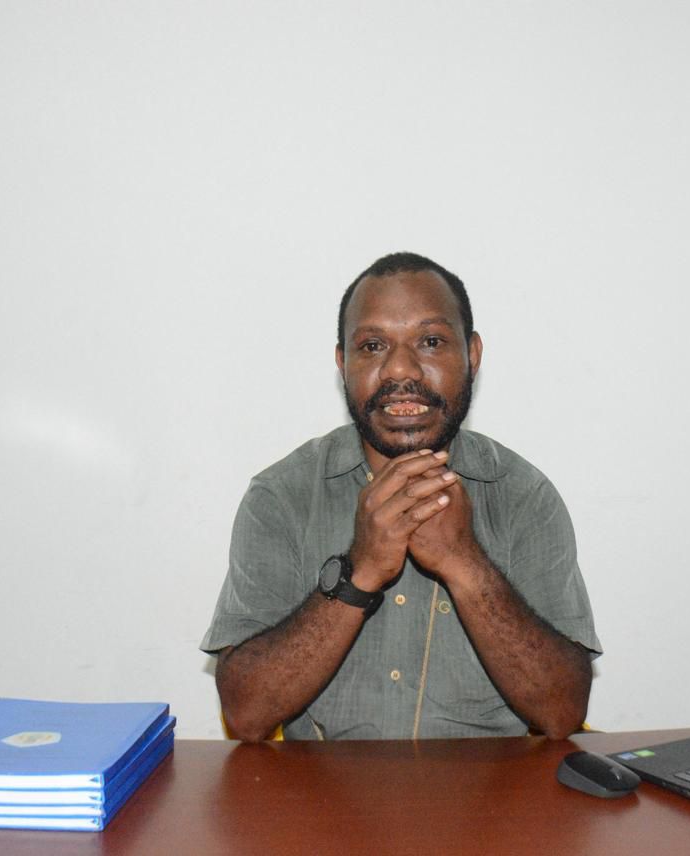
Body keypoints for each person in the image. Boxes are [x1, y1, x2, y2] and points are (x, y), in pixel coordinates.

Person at [201, 252, 600, 741]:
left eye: (431, 342)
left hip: (491, 788)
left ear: (472, 355)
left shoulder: (523, 495)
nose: (400, 370)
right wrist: (359, 572)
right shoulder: (282, 496)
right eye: (372, 346)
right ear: (343, 363)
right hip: (325, 789)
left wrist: (465, 562)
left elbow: (562, 712)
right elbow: (246, 714)